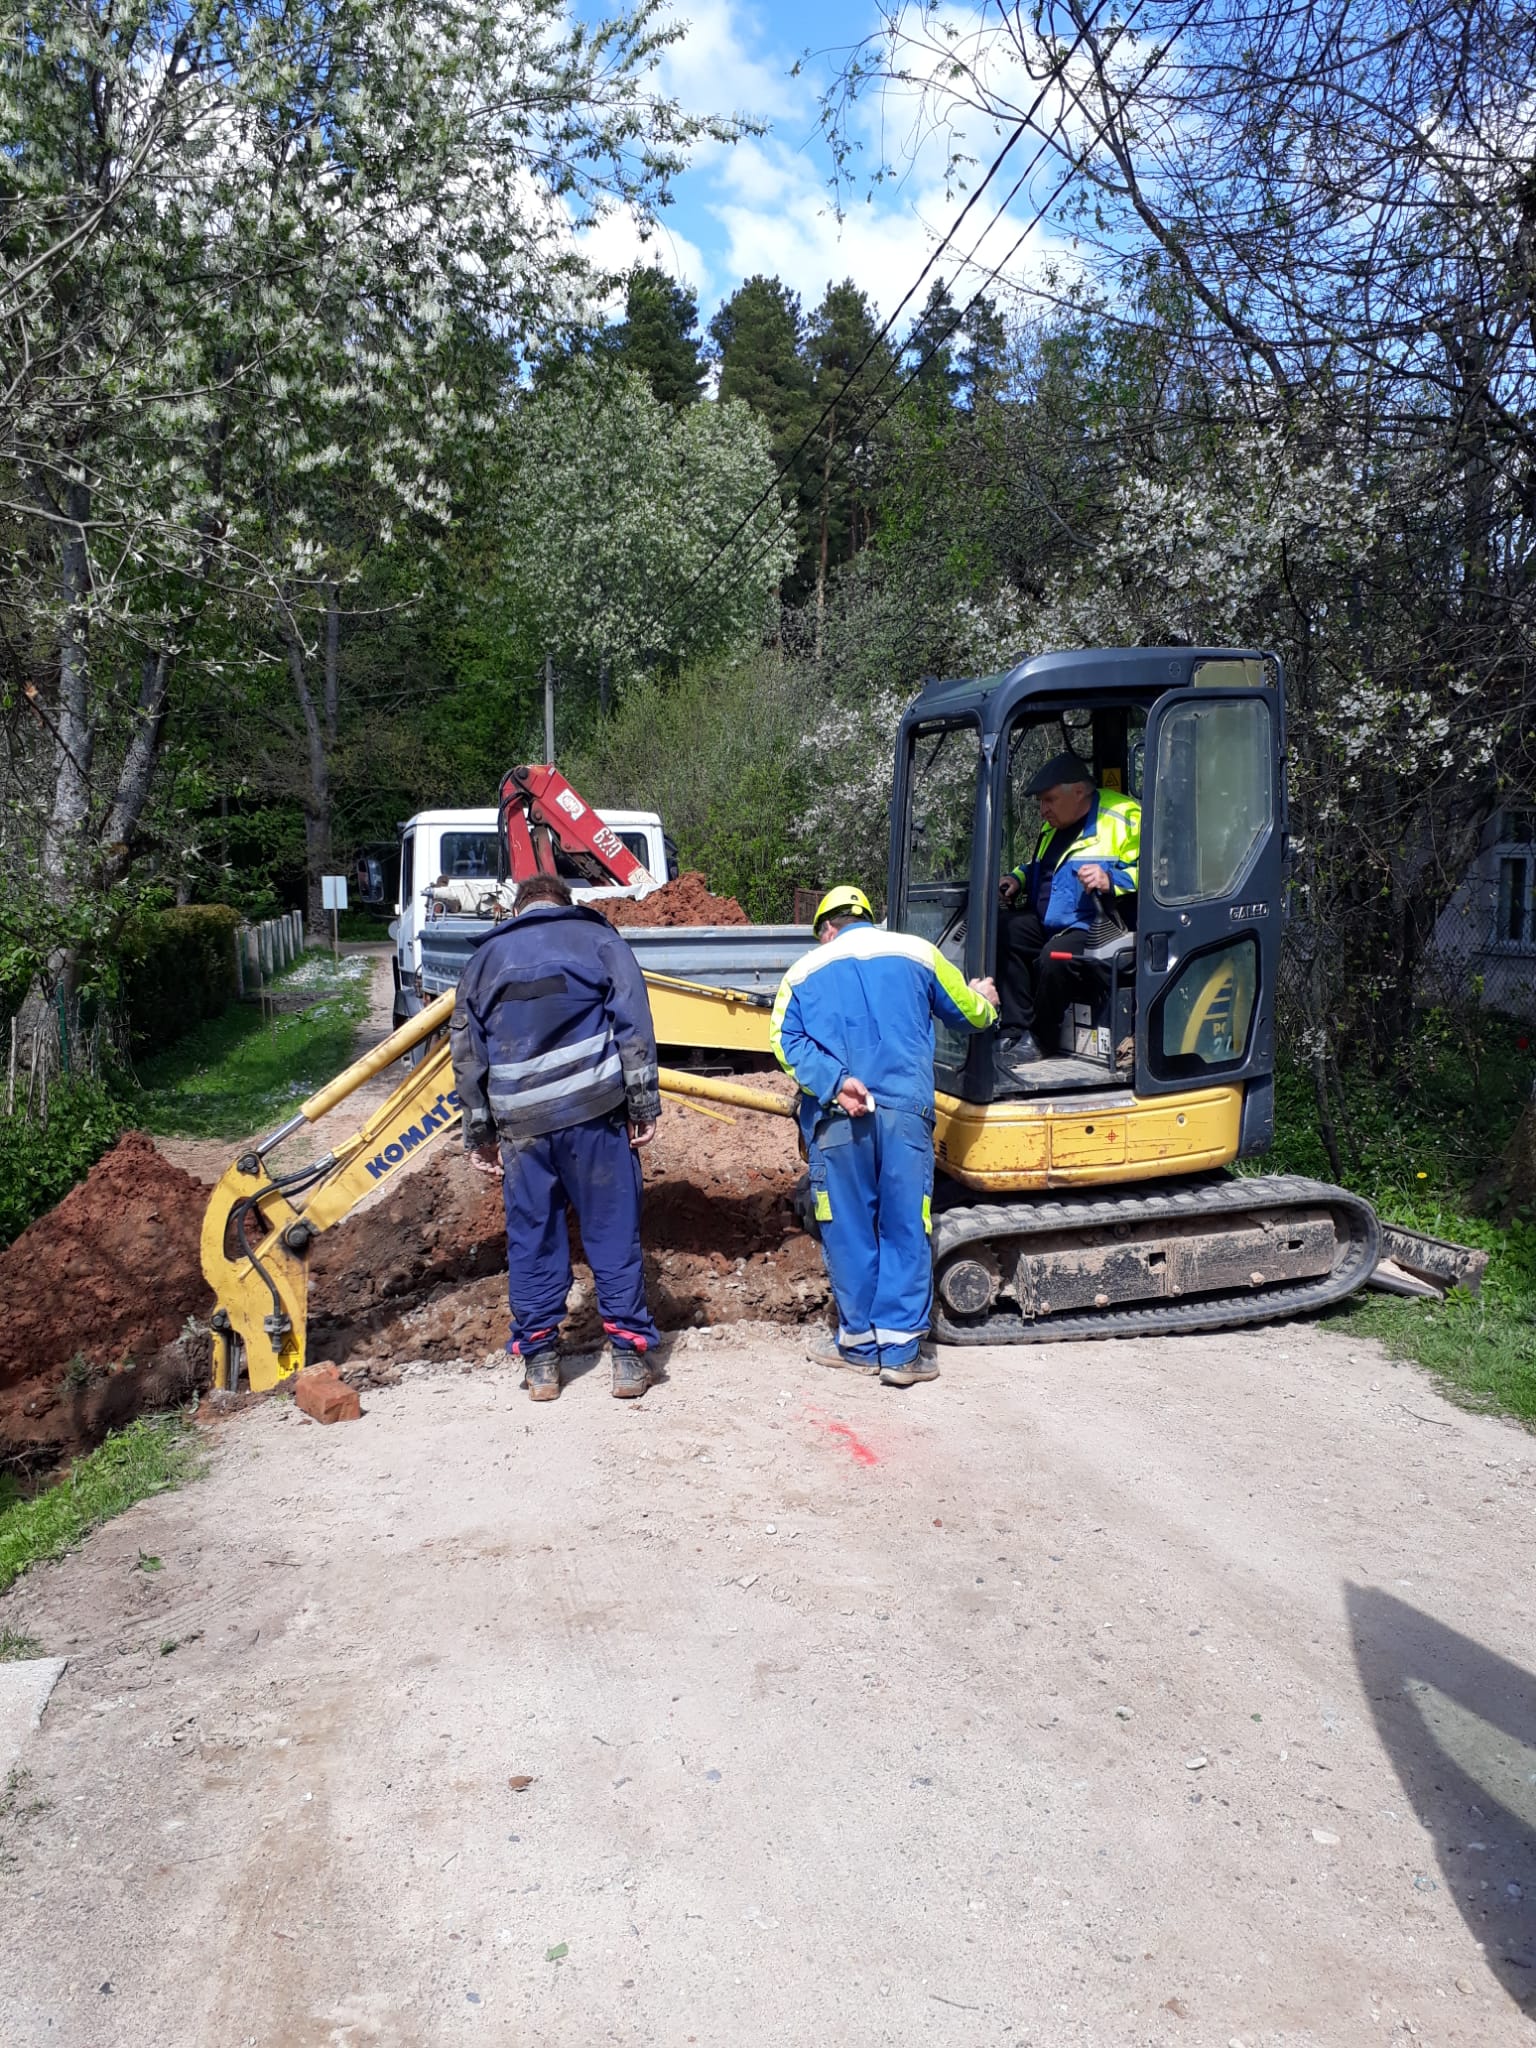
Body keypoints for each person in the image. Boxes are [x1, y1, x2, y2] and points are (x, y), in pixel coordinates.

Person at [770, 886, 997, 1388]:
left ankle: (856, 1343)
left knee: (848, 1227)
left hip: (837, 1117)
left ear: (827, 928)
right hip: (905, 1115)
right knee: (904, 1223)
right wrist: (987, 999)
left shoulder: (802, 972)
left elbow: (782, 1043)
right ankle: (899, 1354)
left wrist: (834, 1082)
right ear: (870, 918)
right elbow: (972, 1015)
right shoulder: (919, 952)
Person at [450, 875, 662, 1404]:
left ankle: (542, 1363)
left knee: (533, 1237)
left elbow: (467, 1051)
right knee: (612, 1231)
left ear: (519, 909)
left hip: (522, 1126)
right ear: (565, 904)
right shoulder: (600, 941)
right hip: (594, 1114)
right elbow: (633, 1024)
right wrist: (643, 1104)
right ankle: (629, 1359)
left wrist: (479, 1131)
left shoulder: (485, 960)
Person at [995, 753, 1141, 1074]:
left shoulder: (1125, 817)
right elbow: (1045, 866)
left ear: (1078, 793)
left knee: (1055, 956)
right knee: (1005, 931)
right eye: (1040, 802)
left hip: (1101, 927)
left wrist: (1111, 880)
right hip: (1053, 919)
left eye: (1049, 800)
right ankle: (1013, 1029)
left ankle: (1041, 1039)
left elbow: (1163, 871)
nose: (1042, 810)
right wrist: (1018, 879)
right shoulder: (1055, 826)